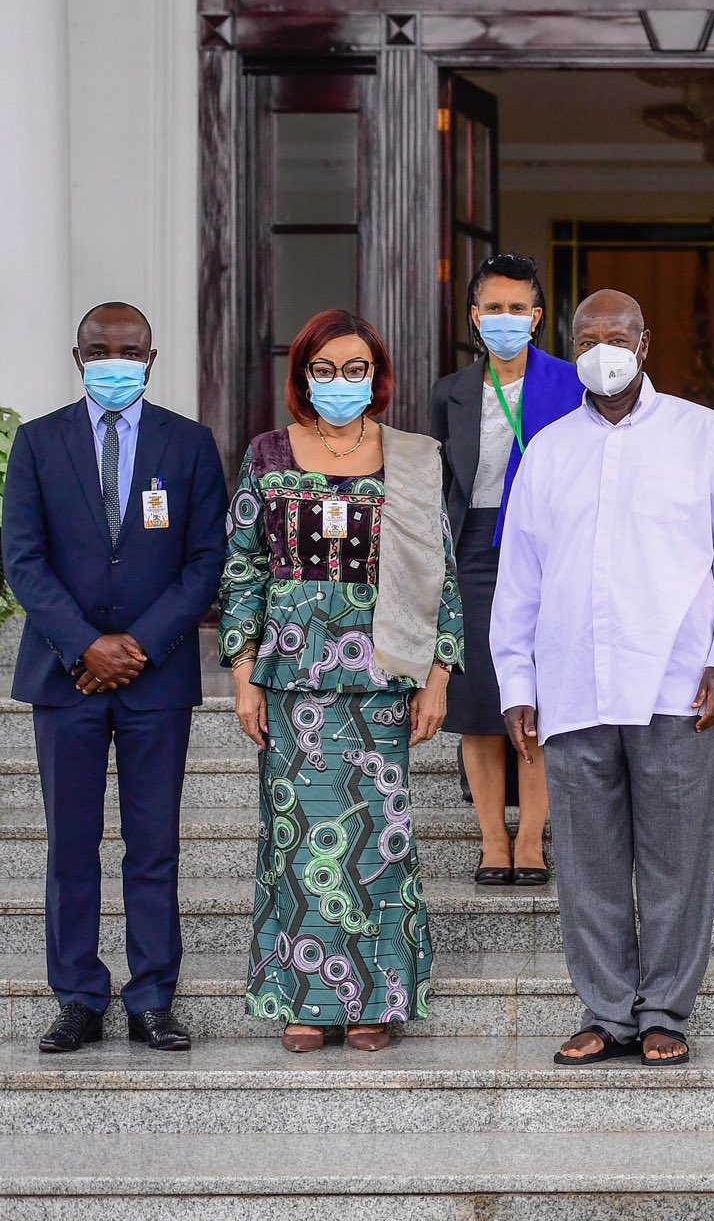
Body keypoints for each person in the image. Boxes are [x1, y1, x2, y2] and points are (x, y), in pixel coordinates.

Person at [495, 289, 714, 1068]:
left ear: (646, 344)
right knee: (585, 862)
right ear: (571, 346)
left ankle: (664, 1012)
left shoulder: (701, 435)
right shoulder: (548, 449)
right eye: (589, 336)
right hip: (575, 687)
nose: (603, 347)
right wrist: (517, 685)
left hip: (676, 686)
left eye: (618, 334)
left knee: (678, 860)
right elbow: (519, 580)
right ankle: (607, 1010)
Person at [219, 309, 462, 1054]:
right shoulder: (267, 454)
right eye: (323, 369)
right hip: (292, 680)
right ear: (302, 376)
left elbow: (440, 574)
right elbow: (245, 566)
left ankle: (373, 1000)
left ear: (376, 376)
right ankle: (304, 997)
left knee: (377, 844)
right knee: (294, 843)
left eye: (354, 369)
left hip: (385, 676)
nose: (339, 382)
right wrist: (242, 672)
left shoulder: (414, 457)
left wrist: (439, 675)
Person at [3, 303, 227, 1054]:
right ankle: (77, 997)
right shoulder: (37, 443)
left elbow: (205, 562)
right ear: (77, 356)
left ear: (151, 357)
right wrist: (84, 646)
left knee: (153, 843)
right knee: (71, 844)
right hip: (66, 679)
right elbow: (23, 561)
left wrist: (137, 643)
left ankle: (153, 997)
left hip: (154, 679)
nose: (113, 359)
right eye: (99, 348)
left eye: (127, 350)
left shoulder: (190, 445)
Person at [429, 252, 583, 887]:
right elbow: (439, 485)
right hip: (474, 554)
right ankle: (492, 838)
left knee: (538, 698)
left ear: (537, 317)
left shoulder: (571, 383)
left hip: (551, 555)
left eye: (517, 308)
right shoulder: (452, 392)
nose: (505, 318)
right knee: (480, 701)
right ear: (474, 318)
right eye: (493, 308)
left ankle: (530, 839)